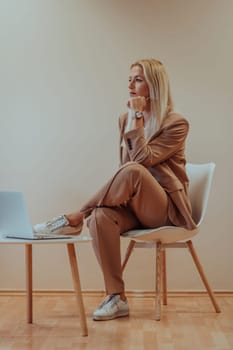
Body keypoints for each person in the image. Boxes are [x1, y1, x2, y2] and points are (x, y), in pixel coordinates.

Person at [34, 58, 196, 321]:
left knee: (133, 171)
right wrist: (133, 117)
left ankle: (74, 216)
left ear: (154, 84)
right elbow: (125, 167)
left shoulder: (176, 123)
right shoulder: (125, 119)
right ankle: (116, 297)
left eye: (138, 79)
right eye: (129, 79)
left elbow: (140, 162)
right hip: (135, 204)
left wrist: (139, 116)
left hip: (164, 209)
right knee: (100, 217)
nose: (130, 84)